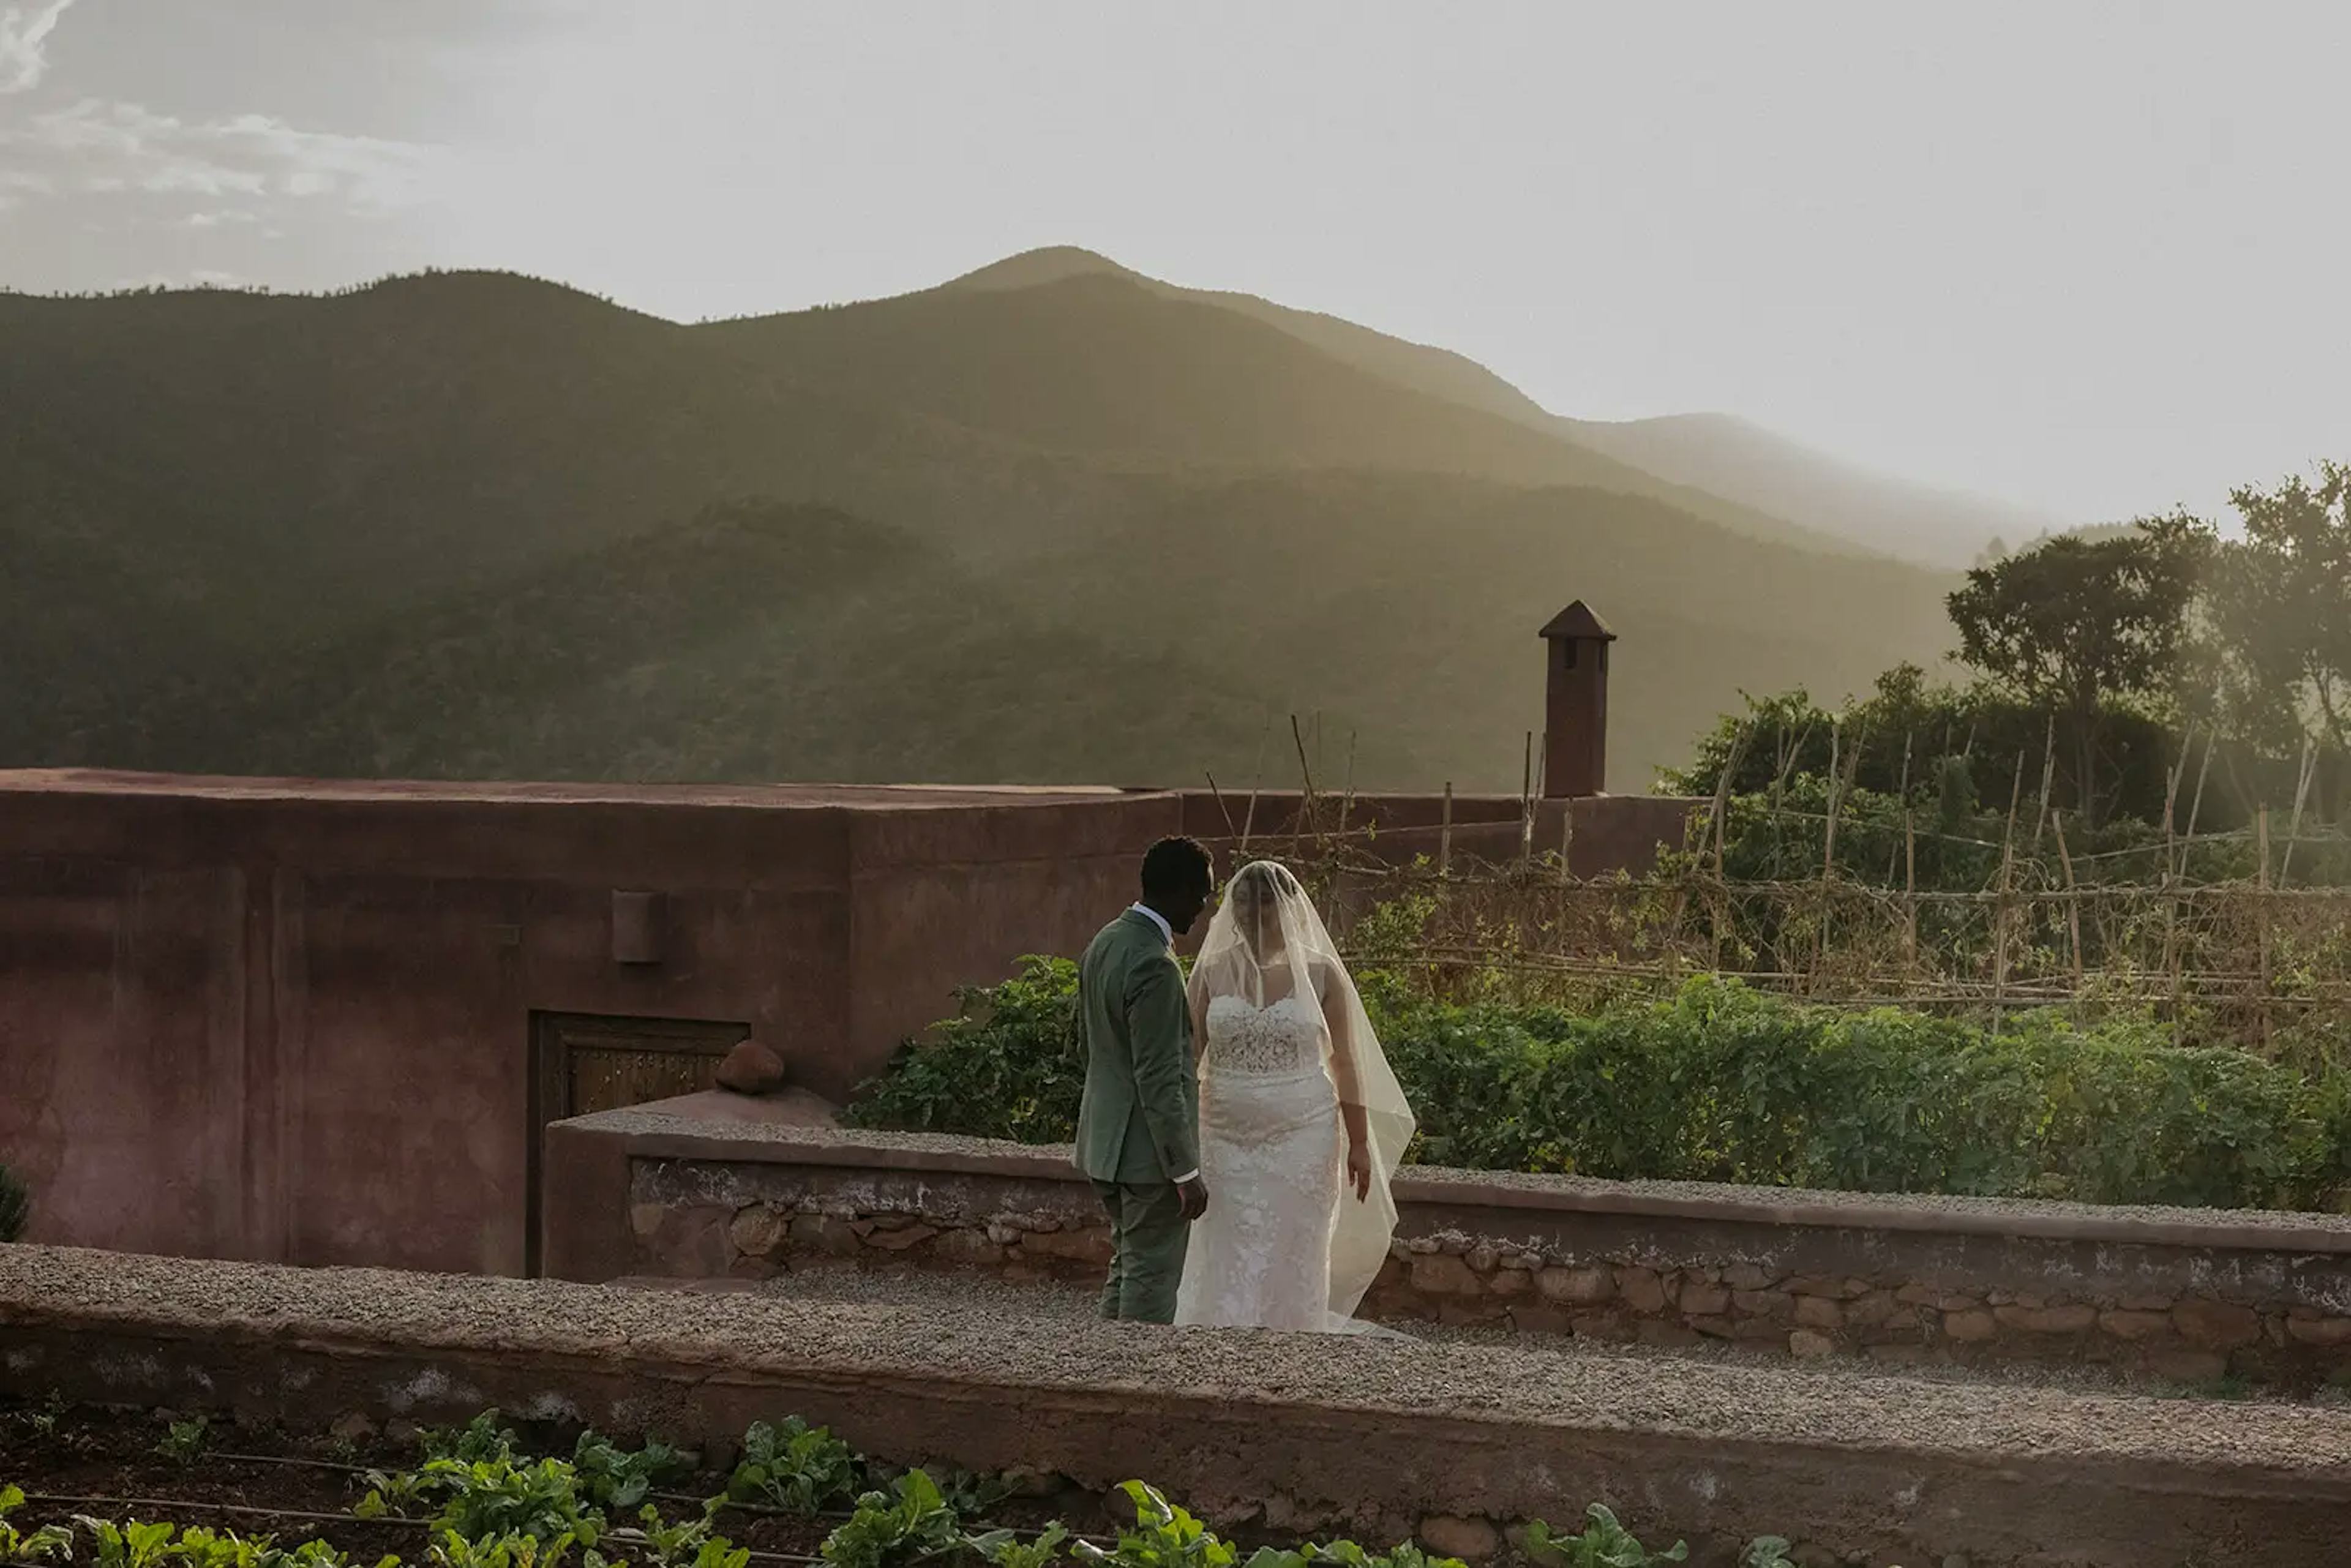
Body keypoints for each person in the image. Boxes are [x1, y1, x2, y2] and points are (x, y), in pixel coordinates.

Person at [1174, 859, 1415, 1334]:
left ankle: (1294, 1334)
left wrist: (1361, 1143)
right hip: (1223, 1132)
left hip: (1304, 1134)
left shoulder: (1323, 974)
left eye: (1263, 909)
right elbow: (1188, 1057)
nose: (1251, 918)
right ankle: (1219, 1331)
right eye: (1243, 907)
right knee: (1226, 1238)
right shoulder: (1210, 973)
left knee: (1295, 1238)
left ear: (1287, 910)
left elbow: (1346, 1061)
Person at [1074, 835, 1216, 1322]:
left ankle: (1100, 1373)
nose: (1203, 908)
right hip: (1147, 1159)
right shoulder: (1156, 965)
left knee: (1127, 1266)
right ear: (1179, 891)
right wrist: (1185, 1171)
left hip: (1104, 1143)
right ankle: (1135, 1384)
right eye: (1202, 895)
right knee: (1152, 1279)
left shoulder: (1106, 941)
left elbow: (1090, 1044)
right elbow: (1158, 1078)